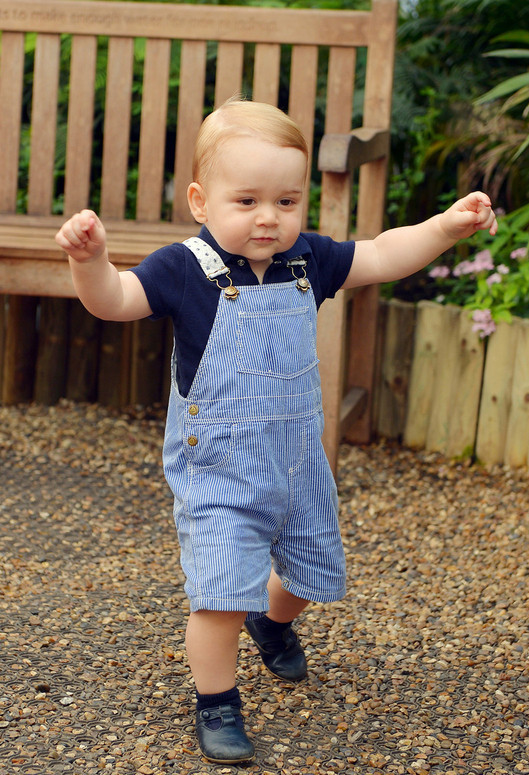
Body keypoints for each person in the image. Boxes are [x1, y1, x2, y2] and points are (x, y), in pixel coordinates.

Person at [55, 98, 497, 765]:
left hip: (296, 461)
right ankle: (217, 702)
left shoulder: (306, 260)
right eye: (248, 200)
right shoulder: (183, 268)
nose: (270, 217)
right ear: (201, 202)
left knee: (309, 575)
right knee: (219, 596)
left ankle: (273, 619)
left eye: (287, 201)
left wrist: (441, 227)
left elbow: (378, 254)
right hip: (220, 470)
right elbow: (113, 301)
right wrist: (90, 261)